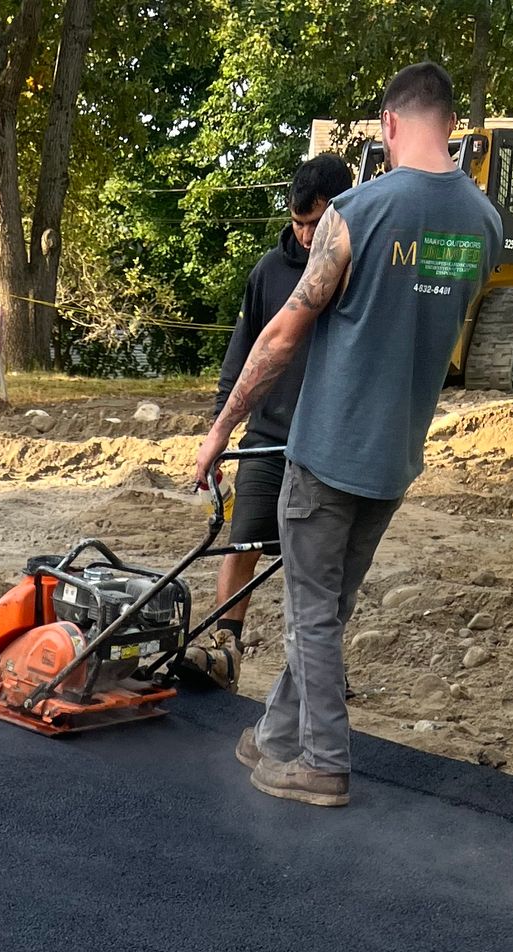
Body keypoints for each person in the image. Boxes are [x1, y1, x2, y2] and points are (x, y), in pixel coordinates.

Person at [192, 62, 503, 807]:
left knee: (309, 614)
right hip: (395, 455)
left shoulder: (357, 213)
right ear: (450, 124)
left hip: (329, 449)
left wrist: (219, 431)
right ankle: (274, 735)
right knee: (327, 610)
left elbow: (280, 337)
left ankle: (323, 761)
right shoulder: (486, 224)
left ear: (389, 125)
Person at [186, 151, 356, 690]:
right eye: (298, 222)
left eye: (315, 223)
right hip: (267, 439)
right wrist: (221, 430)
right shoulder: (270, 270)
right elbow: (242, 357)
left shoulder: (363, 271)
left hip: (329, 444)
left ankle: (317, 668)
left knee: (317, 565)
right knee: (242, 543)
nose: (306, 236)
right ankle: (224, 649)